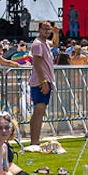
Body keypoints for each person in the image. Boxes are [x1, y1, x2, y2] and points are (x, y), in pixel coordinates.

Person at [28, 20, 55, 149]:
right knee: (39, 111)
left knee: (39, 111)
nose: (47, 31)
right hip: (40, 81)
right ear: (39, 29)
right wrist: (43, 81)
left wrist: (56, 32)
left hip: (45, 80)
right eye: (45, 28)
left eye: (49, 29)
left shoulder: (45, 43)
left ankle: (34, 140)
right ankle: (34, 141)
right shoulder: (38, 44)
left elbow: (55, 43)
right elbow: (37, 63)